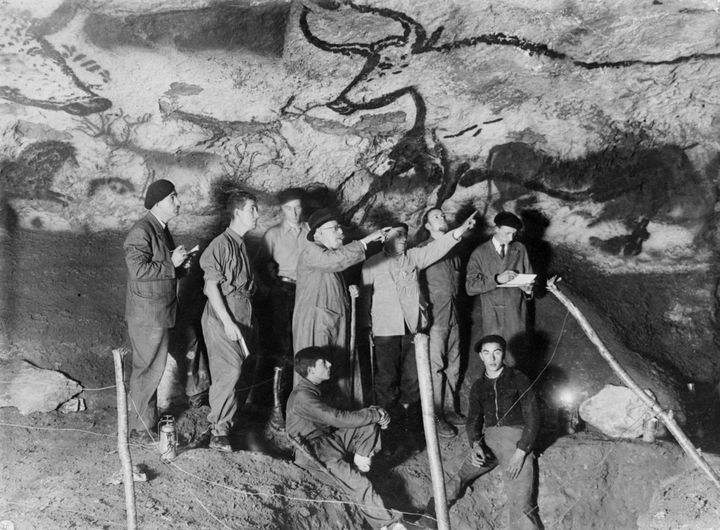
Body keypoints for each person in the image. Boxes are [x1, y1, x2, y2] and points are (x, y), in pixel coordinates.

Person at [361, 213, 476, 443]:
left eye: (405, 234)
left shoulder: (414, 257)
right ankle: (387, 433)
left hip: (413, 330)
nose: (403, 238)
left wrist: (460, 231)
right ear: (385, 238)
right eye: (397, 234)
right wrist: (366, 328)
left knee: (413, 381)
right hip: (385, 331)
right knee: (386, 381)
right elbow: (365, 299)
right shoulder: (371, 264)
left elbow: (439, 247)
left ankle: (411, 430)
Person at [286, 346, 414, 530]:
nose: (329, 364)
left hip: (327, 442)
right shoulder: (303, 396)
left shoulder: (312, 389)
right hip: (313, 452)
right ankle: (387, 525)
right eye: (323, 362)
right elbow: (337, 418)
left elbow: (345, 419)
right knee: (359, 484)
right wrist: (374, 414)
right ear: (311, 369)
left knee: (369, 421)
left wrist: (375, 413)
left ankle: (360, 462)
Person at [422, 335, 541, 529]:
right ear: (481, 356)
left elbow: (533, 416)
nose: (492, 358)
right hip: (490, 441)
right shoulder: (478, 386)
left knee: (520, 502)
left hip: (516, 440)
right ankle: (429, 520)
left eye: (497, 352)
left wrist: (521, 452)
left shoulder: (518, 378)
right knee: (453, 473)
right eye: (487, 353)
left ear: (503, 354)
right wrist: (476, 445)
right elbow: (473, 420)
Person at [292, 208, 388, 408]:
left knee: (335, 372)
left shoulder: (328, 256)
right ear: (318, 233)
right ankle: (313, 419)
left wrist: (346, 291)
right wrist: (365, 241)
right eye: (335, 229)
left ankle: (338, 417)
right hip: (317, 324)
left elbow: (327, 281)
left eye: (340, 228)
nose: (341, 233)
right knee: (315, 373)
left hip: (332, 322)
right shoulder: (312, 251)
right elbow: (333, 262)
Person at [124, 179, 189, 442]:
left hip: (159, 312)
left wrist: (182, 267)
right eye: (173, 197)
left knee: (153, 367)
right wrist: (172, 264)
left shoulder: (160, 229)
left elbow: (162, 270)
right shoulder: (142, 231)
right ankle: (140, 428)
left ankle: (145, 422)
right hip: (147, 315)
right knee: (147, 369)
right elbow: (138, 271)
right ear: (159, 202)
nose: (178, 202)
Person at [199, 190, 259, 452]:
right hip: (222, 315)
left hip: (241, 312)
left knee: (241, 372)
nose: (257, 215)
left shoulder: (241, 244)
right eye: (252, 210)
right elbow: (211, 288)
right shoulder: (220, 244)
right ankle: (218, 432)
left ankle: (228, 424)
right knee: (229, 371)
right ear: (237, 212)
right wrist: (227, 322)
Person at [416, 208, 465, 437]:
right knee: (435, 368)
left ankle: (450, 409)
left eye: (443, 215)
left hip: (454, 317)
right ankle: (435, 416)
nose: (442, 218)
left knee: (453, 366)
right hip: (436, 318)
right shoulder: (422, 250)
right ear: (427, 226)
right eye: (436, 216)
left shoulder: (454, 251)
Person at [465, 211, 534, 368]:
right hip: (492, 314)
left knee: (518, 359)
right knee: (494, 359)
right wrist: (496, 279)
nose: (511, 238)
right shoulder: (480, 253)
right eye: (507, 233)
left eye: (514, 234)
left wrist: (528, 290)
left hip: (515, 313)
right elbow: (470, 287)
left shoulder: (520, 249)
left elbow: (529, 279)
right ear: (496, 229)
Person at [259, 188, 309, 360]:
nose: (294, 213)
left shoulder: (311, 232)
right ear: (282, 209)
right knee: (283, 339)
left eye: (297, 207)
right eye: (288, 208)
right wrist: (271, 288)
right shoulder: (273, 235)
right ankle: (283, 382)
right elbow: (260, 265)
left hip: (308, 289)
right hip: (283, 290)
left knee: (306, 335)